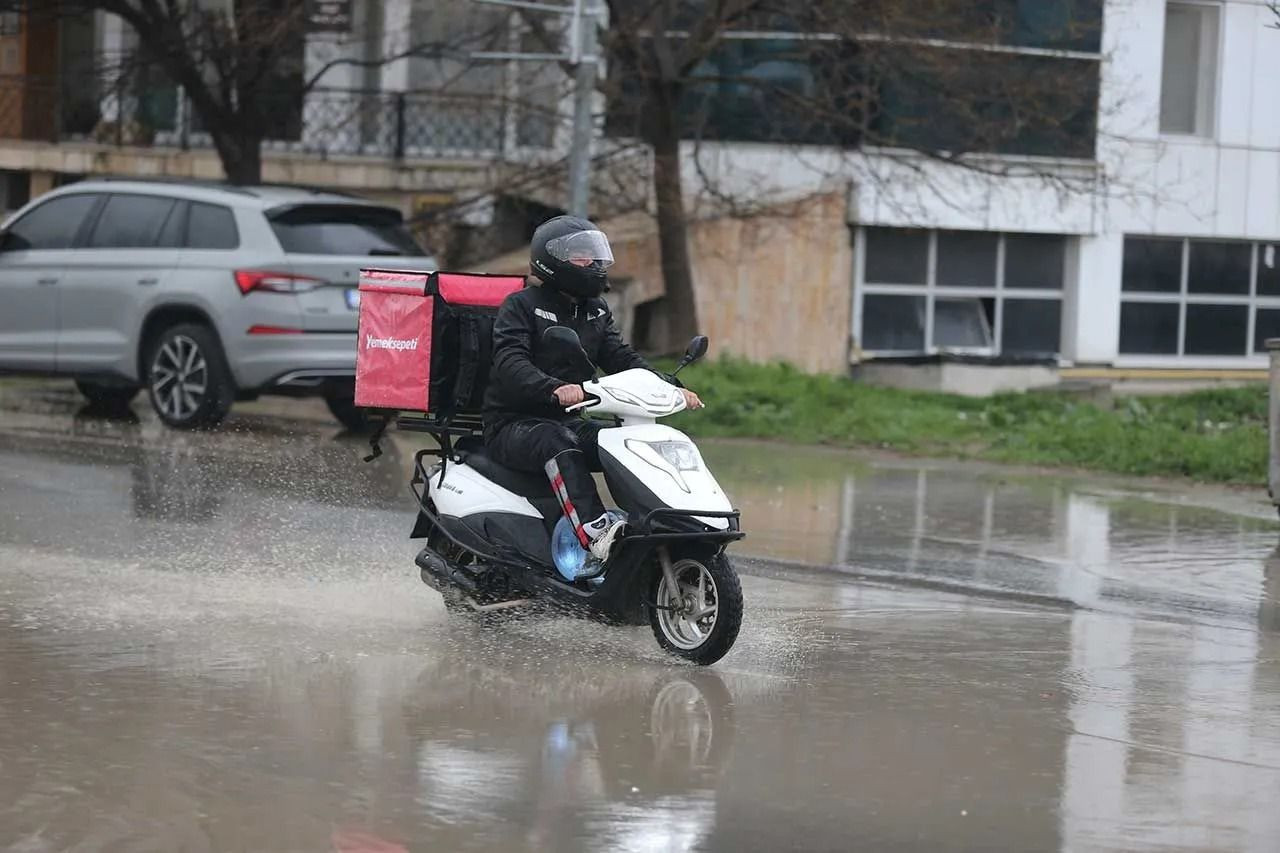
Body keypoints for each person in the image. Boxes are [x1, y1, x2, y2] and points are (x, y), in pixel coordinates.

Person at [482, 215, 702, 563]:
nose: (594, 263)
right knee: (558, 441)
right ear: (551, 260)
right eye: (582, 256)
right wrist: (553, 388)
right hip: (512, 424)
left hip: (568, 419)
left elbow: (620, 357)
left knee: (621, 441)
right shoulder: (521, 306)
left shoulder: (595, 310)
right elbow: (510, 362)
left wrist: (670, 385)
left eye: (595, 254)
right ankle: (595, 533)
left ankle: (654, 522)